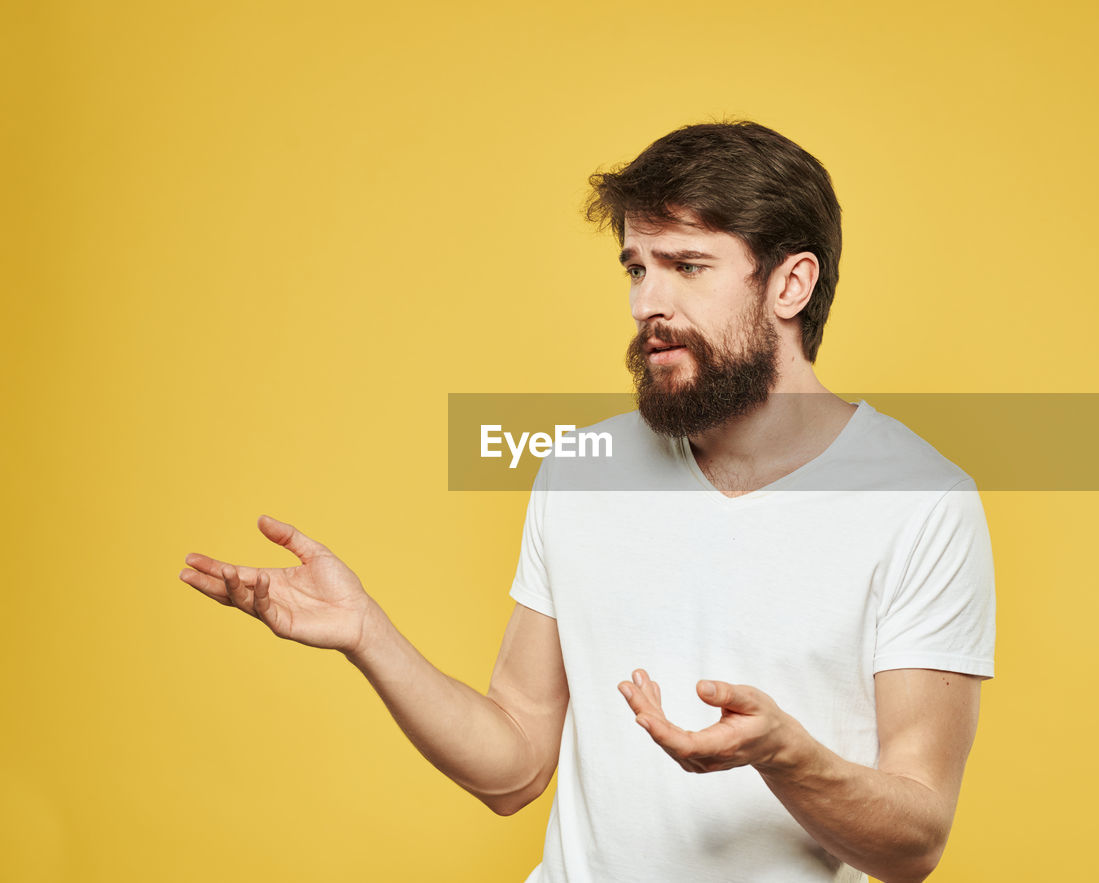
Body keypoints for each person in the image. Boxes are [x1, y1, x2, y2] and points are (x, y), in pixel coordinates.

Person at [179, 121, 996, 883]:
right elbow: (516, 761)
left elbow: (915, 837)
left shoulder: (922, 501)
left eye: (687, 265)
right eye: (637, 269)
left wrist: (785, 753)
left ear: (791, 282)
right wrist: (368, 635)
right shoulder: (580, 468)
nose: (648, 304)